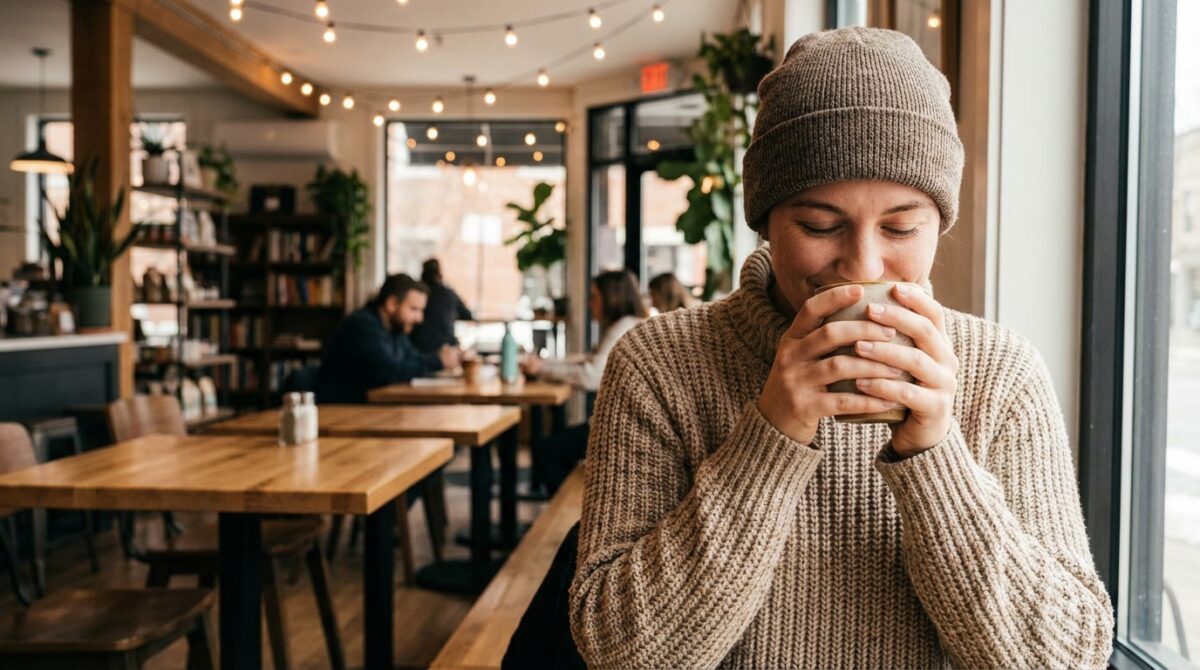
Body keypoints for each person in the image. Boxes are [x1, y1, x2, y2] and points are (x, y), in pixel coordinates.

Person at [569, 28, 1114, 669]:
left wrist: (937, 457)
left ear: (941, 223)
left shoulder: (1001, 372)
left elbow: (1062, 657)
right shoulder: (660, 363)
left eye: (902, 226)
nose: (861, 262)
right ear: (766, 219)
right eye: (819, 225)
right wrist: (770, 436)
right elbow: (619, 652)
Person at [522, 269, 647, 494]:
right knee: (551, 447)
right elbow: (588, 360)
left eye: (594, 297)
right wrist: (545, 365)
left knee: (544, 450)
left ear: (611, 298)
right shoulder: (628, 324)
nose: (590, 304)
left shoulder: (623, 328)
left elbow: (592, 375)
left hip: (619, 430)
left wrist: (542, 368)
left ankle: (578, 508)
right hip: (625, 427)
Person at [316, 274, 460, 403]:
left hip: (368, 408)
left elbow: (413, 358)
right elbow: (388, 371)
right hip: (341, 412)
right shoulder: (362, 325)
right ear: (391, 304)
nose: (420, 319)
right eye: (414, 309)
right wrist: (438, 361)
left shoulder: (395, 330)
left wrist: (441, 357)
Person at [410, 257, 474, 354]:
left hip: (418, 346)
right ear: (439, 273)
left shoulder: (415, 292)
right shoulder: (448, 294)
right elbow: (468, 315)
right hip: (445, 347)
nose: (419, 318)